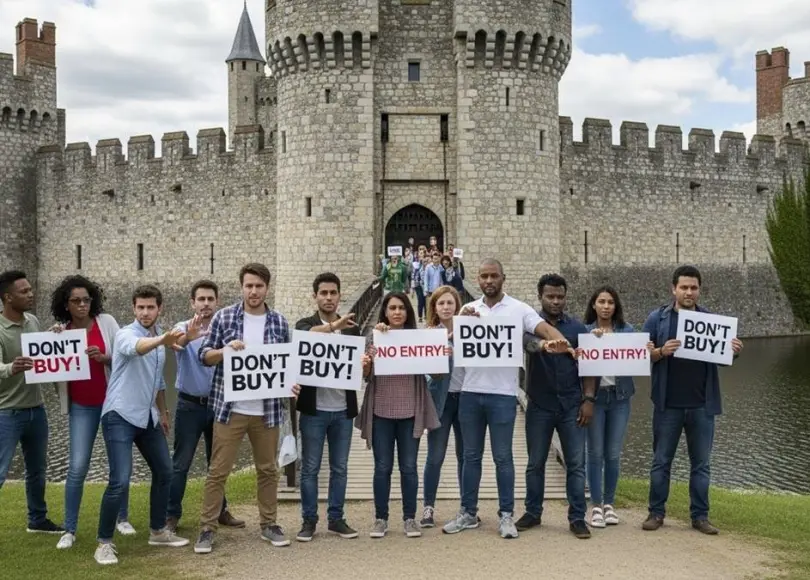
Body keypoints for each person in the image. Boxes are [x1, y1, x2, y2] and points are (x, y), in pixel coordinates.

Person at [442, 259, 571, 539]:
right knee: (470, 456)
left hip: (502, 394)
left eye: (494, 276)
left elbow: (542, 329)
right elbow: (448, 345)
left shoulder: (518, 308)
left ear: (503, 278)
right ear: (477, 279)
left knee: (503, 457)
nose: (489, 281)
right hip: (470, 392)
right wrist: (460, 326)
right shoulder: (469, 309)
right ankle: (468, 512)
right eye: (484, 276)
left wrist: (562, 343)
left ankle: (506, 515)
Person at [194, 263, 301, 554]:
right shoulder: (224, 316)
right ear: (242, 287)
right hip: (231, 409)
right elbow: (204, 356)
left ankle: (269, 524)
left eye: (259, 286)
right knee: (218, 471)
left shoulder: (279, 322)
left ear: (267, 288)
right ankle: (207, 528)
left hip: (266, 411)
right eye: (249, 286)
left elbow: (287, 363)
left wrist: (291, 384)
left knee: (268, 470)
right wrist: (224, 351)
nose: (253, 291)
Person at [641, 265, 742, 535]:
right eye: (684, 287)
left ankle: (700, 516)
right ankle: (656, 512)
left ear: (699, 290)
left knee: (701, 465)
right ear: (673, 289)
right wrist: (661, 351)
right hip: (667, 405)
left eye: (693, 287)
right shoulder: (656, 319)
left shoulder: (712, 320)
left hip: (701, 405)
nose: (689, 292)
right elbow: (641, 356)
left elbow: (726, 360)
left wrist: (734, 351)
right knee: (661, 461)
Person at [94, 285, 188, 566]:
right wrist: (162, 340)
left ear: (159, 309)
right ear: (134, 309)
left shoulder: (160, 343)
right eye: (140, 307)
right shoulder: (126, 334)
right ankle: (104, 543)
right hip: (119, 415)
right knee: (119, 480)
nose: (145, 312)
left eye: (150, 307)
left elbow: (158, 381)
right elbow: (136, 350)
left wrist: (164, 411)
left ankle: (158, 530)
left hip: (147, 417)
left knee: (165, 471)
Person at [49, 275, 134, 549]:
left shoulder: (106, 322)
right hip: (81, 407)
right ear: (67, 304)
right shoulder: (61, 332)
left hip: (111, 404)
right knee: (77, 467)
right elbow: (53, 375)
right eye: (76, 301)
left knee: (119, 467)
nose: (83, 305)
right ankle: (69, 529)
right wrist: (52, 345)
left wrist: (104, 357)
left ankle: (122, 518)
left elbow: (124, 355)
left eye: (86, 299)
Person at [515, 274, 595, 540]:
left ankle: (577, 518)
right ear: (540, 297)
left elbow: (589, 368)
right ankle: (533, 512)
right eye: (550, 296)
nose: (556, 301)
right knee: (535, 463)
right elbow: (528, 344)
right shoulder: (530, 325)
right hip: (540, 404)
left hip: (572, 404)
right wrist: (544, 344)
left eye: (560, 296)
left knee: (575, 464)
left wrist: (588, 400)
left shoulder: (577, 329)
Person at [357, 292, 440, 539]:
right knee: (382, 467)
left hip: (410, 411)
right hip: (381, 410)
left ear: (408, 312)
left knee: (408, 467)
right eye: (392, 308)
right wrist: (367, 362)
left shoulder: (418, 339)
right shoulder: (375, 336)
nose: (396, 312)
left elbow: (435, 374)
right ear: (385, 311)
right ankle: (381, 518)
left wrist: (441, 357)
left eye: (401, 308)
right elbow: (367, 376)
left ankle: (409, 518)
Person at [166, 280, 244, 533]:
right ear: (193, 302)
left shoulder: (226, 328)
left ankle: (220, 511)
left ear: (217, 301)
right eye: (201, 299)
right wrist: (187, 337)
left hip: (219, 405)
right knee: (181, 463)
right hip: (190, 405)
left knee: (218, 463)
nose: (206, 304)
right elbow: (175, 342)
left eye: (210, 299)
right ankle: (171, 515)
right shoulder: (183, 327)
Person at [295, 273, 361, 542]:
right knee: (310, 468)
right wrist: (334, 327)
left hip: (342, 410)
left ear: (339, 295)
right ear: (315, 296)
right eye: (323, 293)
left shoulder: (352, 327)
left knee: (340, 467)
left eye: (333, 293)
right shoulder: (307, 323)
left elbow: (355, 364)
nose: (329, 298)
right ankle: (309, 520)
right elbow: (304, 335)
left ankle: (336, 518)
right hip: (314, 410)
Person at [0, 270, 64, 534]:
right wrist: (10, 368)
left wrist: (52, 337)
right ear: (7, 297)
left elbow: (39, 355)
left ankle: (37, 520)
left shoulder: (33, 321)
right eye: (24, 291)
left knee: (37, 470)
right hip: (6, 414)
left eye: (29, 290)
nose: (30, 294)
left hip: (36, 411)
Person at [583, 285, 636, 528]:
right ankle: (595, 504)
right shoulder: (585, 332)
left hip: (620, 398)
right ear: (594, 305)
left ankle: (609, 504)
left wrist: (645, 352)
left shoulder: (627, 332)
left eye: (610, 302)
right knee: (594, 452)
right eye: (601, 302)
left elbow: (637, 361)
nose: (606, 306)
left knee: (613, 453)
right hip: (596, 399)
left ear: (616, 307)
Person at [420, 286, 465, 528]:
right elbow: (426, 374)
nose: (446, 307)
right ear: (434, 308)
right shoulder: (429, 335)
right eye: (441, 304)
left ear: (457, 305)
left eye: (450, 303)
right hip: (441, 401)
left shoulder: (470, 331)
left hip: (466, 398)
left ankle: (467, 506)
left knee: (466, 455)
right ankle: (428, 507)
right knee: (435, 456)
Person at [412, 247, 428, 323]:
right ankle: (420, 316)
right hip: (418, 285)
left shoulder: (427, 262)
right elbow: (413, 275)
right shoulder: (415, 263)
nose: (421, 254)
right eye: (420, 253)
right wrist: (412, 287)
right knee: (420, 301)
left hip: (426, 285)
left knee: (426, 301)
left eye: (422, 253)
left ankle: (426, 315)